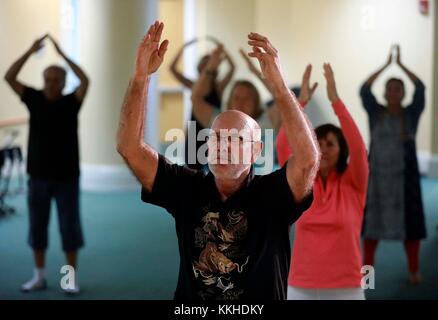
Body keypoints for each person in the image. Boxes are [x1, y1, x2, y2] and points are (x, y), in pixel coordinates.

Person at [117, 21, 320, 300]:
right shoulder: (188, 187)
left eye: (235, 139)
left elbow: (308, 160)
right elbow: (130, 147)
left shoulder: (272, 194)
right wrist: (140, 77)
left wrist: (281, 88)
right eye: (216, 138)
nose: (222, 145)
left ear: (256, 151)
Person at [4, 34, 89, 294]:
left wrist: (63, 55)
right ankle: (38, 277)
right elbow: (9, 76)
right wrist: (30, 50)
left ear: (64, 83)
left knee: (69, 229)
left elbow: (85, 80)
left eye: (56, 80)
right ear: (43, 82)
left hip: (66, 177)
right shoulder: (33, 97)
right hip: (38, 177)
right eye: (48, 80)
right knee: (37, 228)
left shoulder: (71, 102)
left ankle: (69, 279)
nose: (51, 84)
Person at [277, 64, 369, 300]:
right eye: (319, 144)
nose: (324, 150)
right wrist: (300, 104)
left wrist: (336, 101)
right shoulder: (302, 183)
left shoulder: (354, 183)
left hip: (347, 284)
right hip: (301, 283)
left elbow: (359, 149)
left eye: (331, 144)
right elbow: (283, 146)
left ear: (341, 149)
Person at [360, 45, 427, 284]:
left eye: (398, 89)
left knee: (411, 228)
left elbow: (421, 87)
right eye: (390, 89)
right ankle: (367, 278)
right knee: (370, 230)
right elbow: (364, 89)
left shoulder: (412, 114)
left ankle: (414, 271)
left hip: (404, 180)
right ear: (385, 93)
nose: (394, 92)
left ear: (403, 93)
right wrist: (386, 65)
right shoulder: (375, 112)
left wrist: (401, 66)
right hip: (377, 178)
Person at [170, 38, 235, 170]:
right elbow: (172, 68)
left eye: (210, 64)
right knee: (193, 169)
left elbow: (233, 67)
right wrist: (184, 47)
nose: (208, 67)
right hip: (195, 130)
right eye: (205, 65)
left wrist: (220, 48)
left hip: (214, 130)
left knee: (216, 168)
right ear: (200, 68)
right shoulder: (194, 86)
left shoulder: (219, 87)